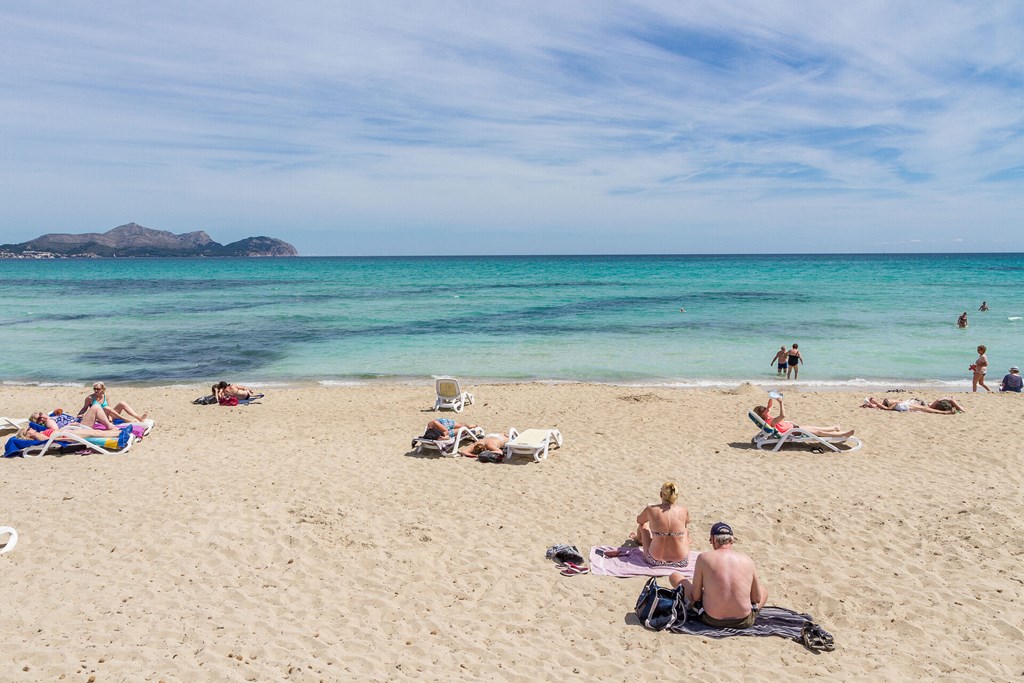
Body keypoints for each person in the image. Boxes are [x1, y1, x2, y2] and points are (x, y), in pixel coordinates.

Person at [669, 522, 768, 629]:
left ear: (713, 539)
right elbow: (756, 598)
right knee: (764, 591)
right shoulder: (747, 559)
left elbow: (696, 596)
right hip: (743, 621)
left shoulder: (704, 558)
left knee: (675, 576)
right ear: (732, 540)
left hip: (712, 619)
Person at [623, 482, 691, 568]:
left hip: (655, 560)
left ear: (661, 494)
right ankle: (686, 541)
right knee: (685, 529)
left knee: (643, 525)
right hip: (682, 561)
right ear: (676, 496)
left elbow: (639, 520)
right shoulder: (684, 510)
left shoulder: (651, 509)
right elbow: (687, 522)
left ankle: (639, 540)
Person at [754, 396, 855, 438]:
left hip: (794, 428)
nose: (767, 410)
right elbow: (783, 415)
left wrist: (771, 397)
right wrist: (781, 403)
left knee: (816, 428)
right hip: (793, 432)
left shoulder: (767, 417)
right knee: (819, 433)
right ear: (762, 414)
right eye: (764, 410)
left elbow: (769, 406)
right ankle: (843, 435)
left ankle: (835, 428)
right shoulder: (771, 421)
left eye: (766, 409)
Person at [80, 382, 147, 422]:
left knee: (122, 403)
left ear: (102, 389)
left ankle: (139, 418)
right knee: (106, 408)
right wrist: (79, 415)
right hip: (98, 417)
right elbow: (84, 408)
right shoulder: (90, 398)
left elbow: (110, 408)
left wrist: (110, 417)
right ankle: (125, 419)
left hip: (107, 415)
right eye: (94, 389)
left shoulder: (106, 396)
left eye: (98, 389)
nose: (96, 390)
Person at [32, 404, 119, 431]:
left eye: (40, 414)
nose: (41, 417)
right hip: (79, 427)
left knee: (96, 408)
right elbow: (57, 431)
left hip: (80, 423)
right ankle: (109, 426)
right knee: (95, 407)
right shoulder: (49, 422)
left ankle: (109, 425)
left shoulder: (52, 417)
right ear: (39, 422)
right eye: (39, 419)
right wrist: (73, 424)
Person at [863, 396, 967, 414]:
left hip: (906, 405)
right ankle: (948, 412)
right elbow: (887, 409)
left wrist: (871, 404)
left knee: (927, 409)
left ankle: (948, 411)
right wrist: (875, 403)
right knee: (928, 410)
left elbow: (884, 408)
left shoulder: (894, 404)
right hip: (906, 406)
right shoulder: (892, 405)